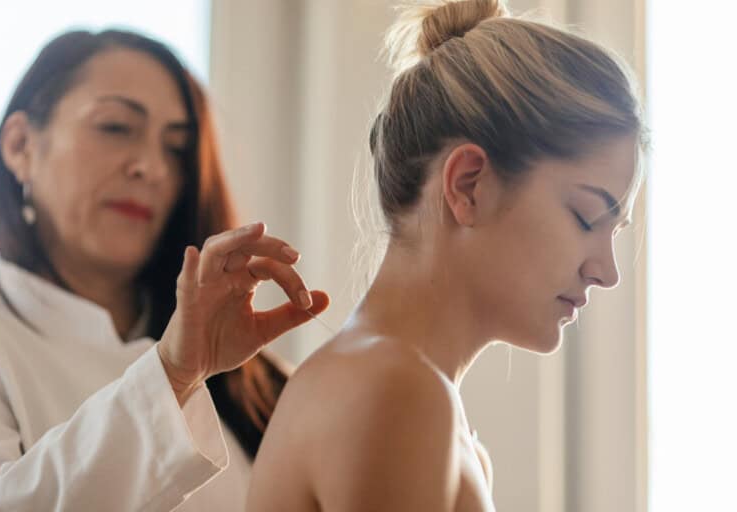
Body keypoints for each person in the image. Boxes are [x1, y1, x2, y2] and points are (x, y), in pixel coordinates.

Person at [246, 1, 646, 511]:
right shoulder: (395, 394)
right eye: (587, 217)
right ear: (468, 184)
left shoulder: (417, 403)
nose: (606, 272)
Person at [0, 29, 328, 511]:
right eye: (115, 127)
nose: (152, 167)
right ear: (20, 146)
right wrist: (173, 375)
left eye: (177, 149)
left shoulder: (250, 380)